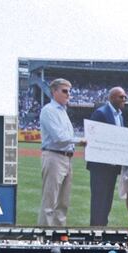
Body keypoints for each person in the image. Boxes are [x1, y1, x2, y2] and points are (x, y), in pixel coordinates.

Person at [38, 78, 86, 227]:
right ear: (54, 92)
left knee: (63, 202)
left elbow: (65, 137)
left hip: (66, 158)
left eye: (69, 91)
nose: (68, 94)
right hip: (54, 156)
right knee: (49, 201)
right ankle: (44, 239)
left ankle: (59, 236)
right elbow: (58, 137)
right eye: (64, 91)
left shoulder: (63, 111)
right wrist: (79, 141)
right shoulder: (49, 110)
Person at [87, 86, 127, 227]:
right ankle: (95, 231)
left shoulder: (120, 116)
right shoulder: (101, 113)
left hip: (113, 166)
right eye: (121, 97)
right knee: (99, 201)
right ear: (111, 98)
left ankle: (103, 228)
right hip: (100, 166)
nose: (124, 99)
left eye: (125, 97)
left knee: (107, 201)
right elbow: (93, 138)